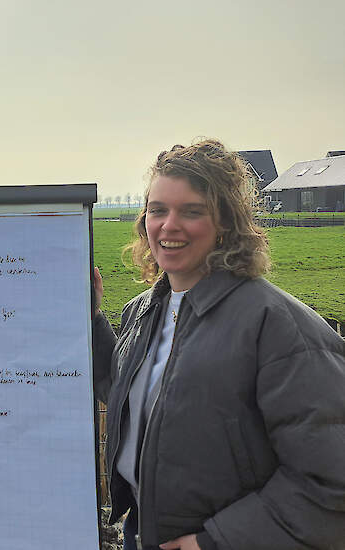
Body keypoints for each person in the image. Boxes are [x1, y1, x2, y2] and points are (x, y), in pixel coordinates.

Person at [91, 139, 345, 550]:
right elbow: (125, 396)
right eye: (158, 210)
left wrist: (214, 541)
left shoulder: (278, 327)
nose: (168, 226)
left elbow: (331, 481)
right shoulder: (144, 311)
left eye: (192, 211)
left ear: (226, 223)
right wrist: (91, 319)